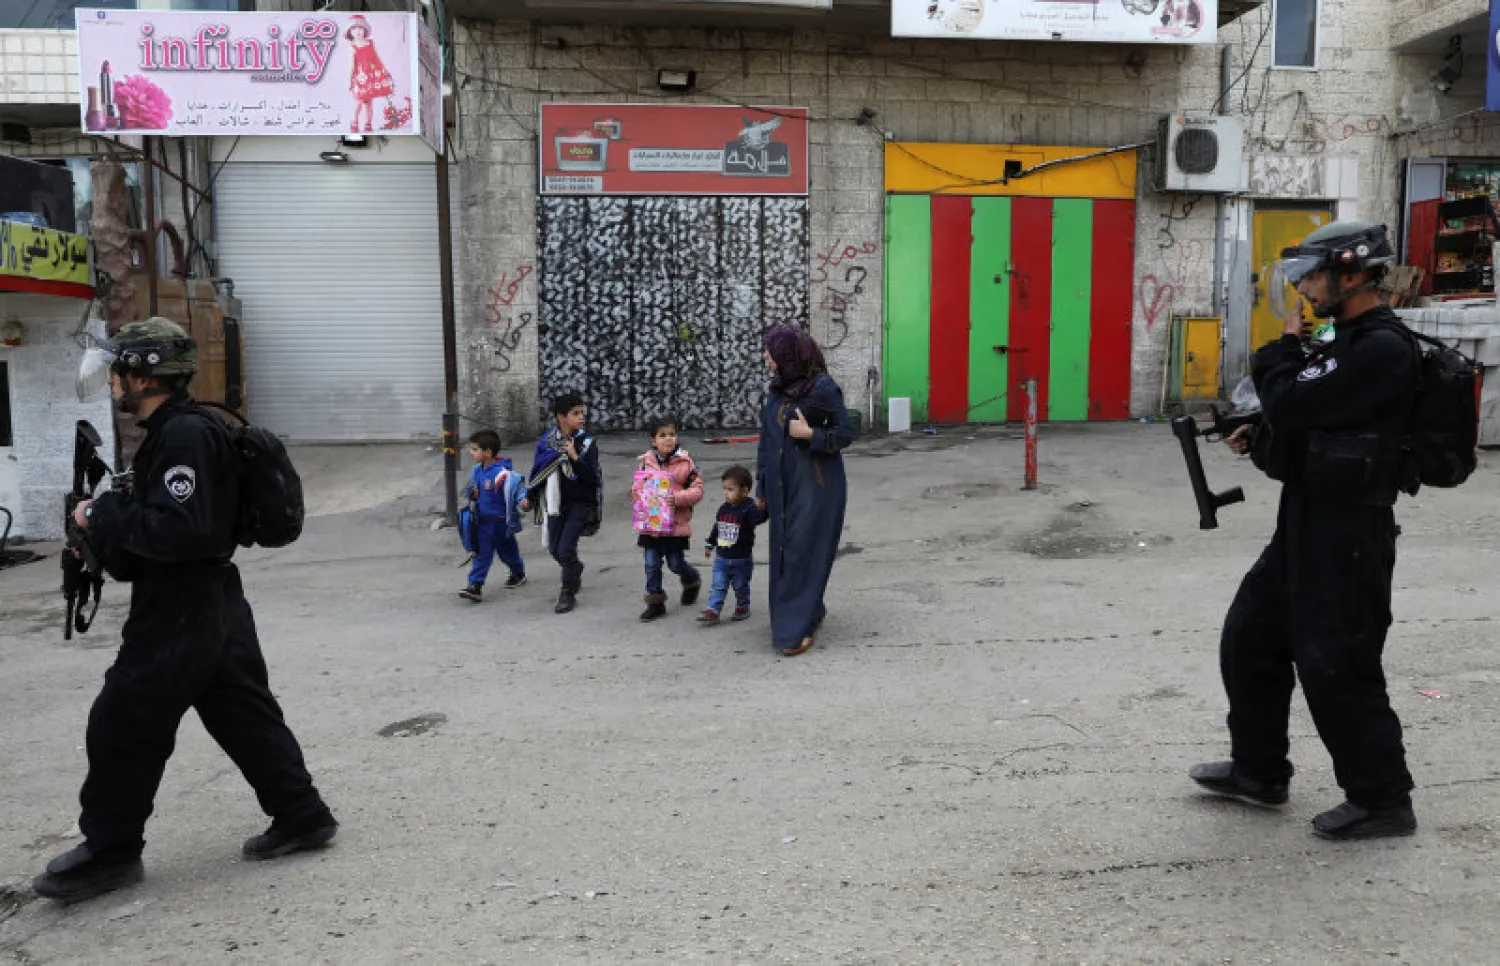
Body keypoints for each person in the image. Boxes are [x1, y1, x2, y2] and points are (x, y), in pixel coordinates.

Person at [35, 318, 337, 903]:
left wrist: (101, 516)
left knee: (121, 722)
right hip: (212, 598)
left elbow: (185, 531)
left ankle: (110, 852)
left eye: (120, 371)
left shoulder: (183, 438)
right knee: (242, 713)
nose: (113, 382)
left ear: (144, 376)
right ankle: (301, 814)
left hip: (182, 604)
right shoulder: (175, 433)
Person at [1190, 222, 1422, 841]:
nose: (1305, 289)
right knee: (1251, 637)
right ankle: (1259, 771)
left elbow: (1295, 400)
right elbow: (1310, 422)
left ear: (1351, 275)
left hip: (1350, 530)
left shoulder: (1381, 347)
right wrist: (1260, 434)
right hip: (1308, 517)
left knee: (1336, 663)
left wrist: (1281, 351)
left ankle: (1383, 800)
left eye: (1314, 275)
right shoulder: (1344, 339)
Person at [756, 325, 853, 657]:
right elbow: (767, 441)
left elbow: (844, 433)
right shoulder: (777, 391)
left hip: (816, 484)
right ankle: (805, 611)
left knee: (801, 550)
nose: (765, 356)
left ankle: (795, 629)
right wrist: (762, 486)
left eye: (770, 350)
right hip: (781, 485)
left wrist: (809, 434)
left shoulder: (822, 388)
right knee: (785, 552)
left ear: (788, 353)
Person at [521, 394, 602, 615]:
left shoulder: (586, 444)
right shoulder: (547, 442)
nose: (581, 418)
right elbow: (538, 470)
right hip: (555, 502)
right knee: (556, 549)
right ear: (561, 417)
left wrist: (575, 458)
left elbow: (593, 478)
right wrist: (529, 495)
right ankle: (574, 568)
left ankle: (567, 591)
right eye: (575, 414)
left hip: (580, 503)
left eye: (582, 413)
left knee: (566, 548)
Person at [632, 418, 705, 622]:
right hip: (651, 525)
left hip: (675, 525)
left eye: (672, 434)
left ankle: (691, 580)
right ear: (653, 441)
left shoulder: (686, 463)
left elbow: (698, 490)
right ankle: (655, 603)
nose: (668, 439)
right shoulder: (646, 462)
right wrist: (636, 494)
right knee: (651, 563)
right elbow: (638, 486)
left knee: (675, 564)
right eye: (662, 435)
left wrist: (678, 499)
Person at [459, 429, 526, 602]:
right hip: (482, 523)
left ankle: (518, 572)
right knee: (481, 555)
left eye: (474, 449)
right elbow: (468, 491)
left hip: (502, 523)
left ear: (487, 452)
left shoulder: (504, 474)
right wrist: (472, 493)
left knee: (508, 552)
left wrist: (523, 501)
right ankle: (475, 586)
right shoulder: (476, 471)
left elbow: (517, 489)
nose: (470, 452)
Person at [698, 464, 767, 626]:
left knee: (740, 585)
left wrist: (764, 508)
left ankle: (742, 606)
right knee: (718, 585)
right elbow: (718, 527)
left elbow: (758, 519)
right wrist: (710, 544)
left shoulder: (749, 508)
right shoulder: (724, 508)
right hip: (722, 557)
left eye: (730, 489)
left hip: (741, 558)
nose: (726, 493)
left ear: (744, 491)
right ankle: (713, 610)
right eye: (725, 489)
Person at [346, 14, 393, 134]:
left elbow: (376, 58)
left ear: (365, 29)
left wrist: (384, 71)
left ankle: (368, 123)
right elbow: (352, 65)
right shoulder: (353, 46)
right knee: (359, 101)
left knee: (369, 103)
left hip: (372, 76)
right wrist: (350, 80)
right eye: (354, 28)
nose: (357, 31)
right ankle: (354, 121)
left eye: (360, 28)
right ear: (350, 31)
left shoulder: (370, 43)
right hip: (360, 78)